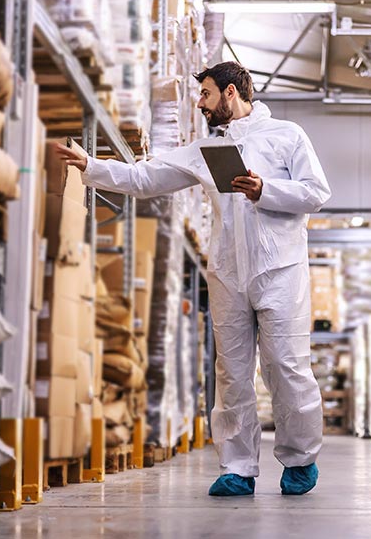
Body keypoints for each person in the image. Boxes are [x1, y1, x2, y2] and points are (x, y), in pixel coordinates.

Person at [56, 61, 331, 497]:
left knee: (288, 367)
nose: (200, 104)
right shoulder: (207, 149)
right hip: (227, 272)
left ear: (230, 93)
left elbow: (316, 192)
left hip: (280, 270)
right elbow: (147, 177)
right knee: (232, 373)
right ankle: (238, 467)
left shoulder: (287, 135)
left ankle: (299, 459)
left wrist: (265, 191)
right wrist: (91, 166)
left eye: (205, 94)